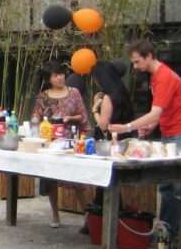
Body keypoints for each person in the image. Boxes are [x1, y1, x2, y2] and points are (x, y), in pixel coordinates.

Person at [109, 40, 181, 247]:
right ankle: (168, 236)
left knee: (176, 188)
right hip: (172, 132)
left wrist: (126, 127)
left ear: (149, 56)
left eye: (137, 61)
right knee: (168, 187)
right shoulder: (157, 77)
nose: (135, 66)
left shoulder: (164, 77)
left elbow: (155, 111)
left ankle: (174, 236)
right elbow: (163, 110)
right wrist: (153, 125)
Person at [32, 60, 90, 228]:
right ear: (48, 79)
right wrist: (35, 121)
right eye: (55, 75)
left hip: (71, 140)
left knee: (78, 181)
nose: (60, 78)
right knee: (52, 181)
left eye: (61, 74)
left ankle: (88, 216)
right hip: (50, 144)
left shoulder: (74, 93)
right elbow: (36, 116)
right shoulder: (43, 97)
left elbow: (83, 116)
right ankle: (55, 215)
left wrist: (71, 119)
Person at [91, 62, 135, 141]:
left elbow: (103, 126)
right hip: (126, 137)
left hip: (113, 140)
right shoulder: (123, 91)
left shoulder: (108, 98)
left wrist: (95, 110)